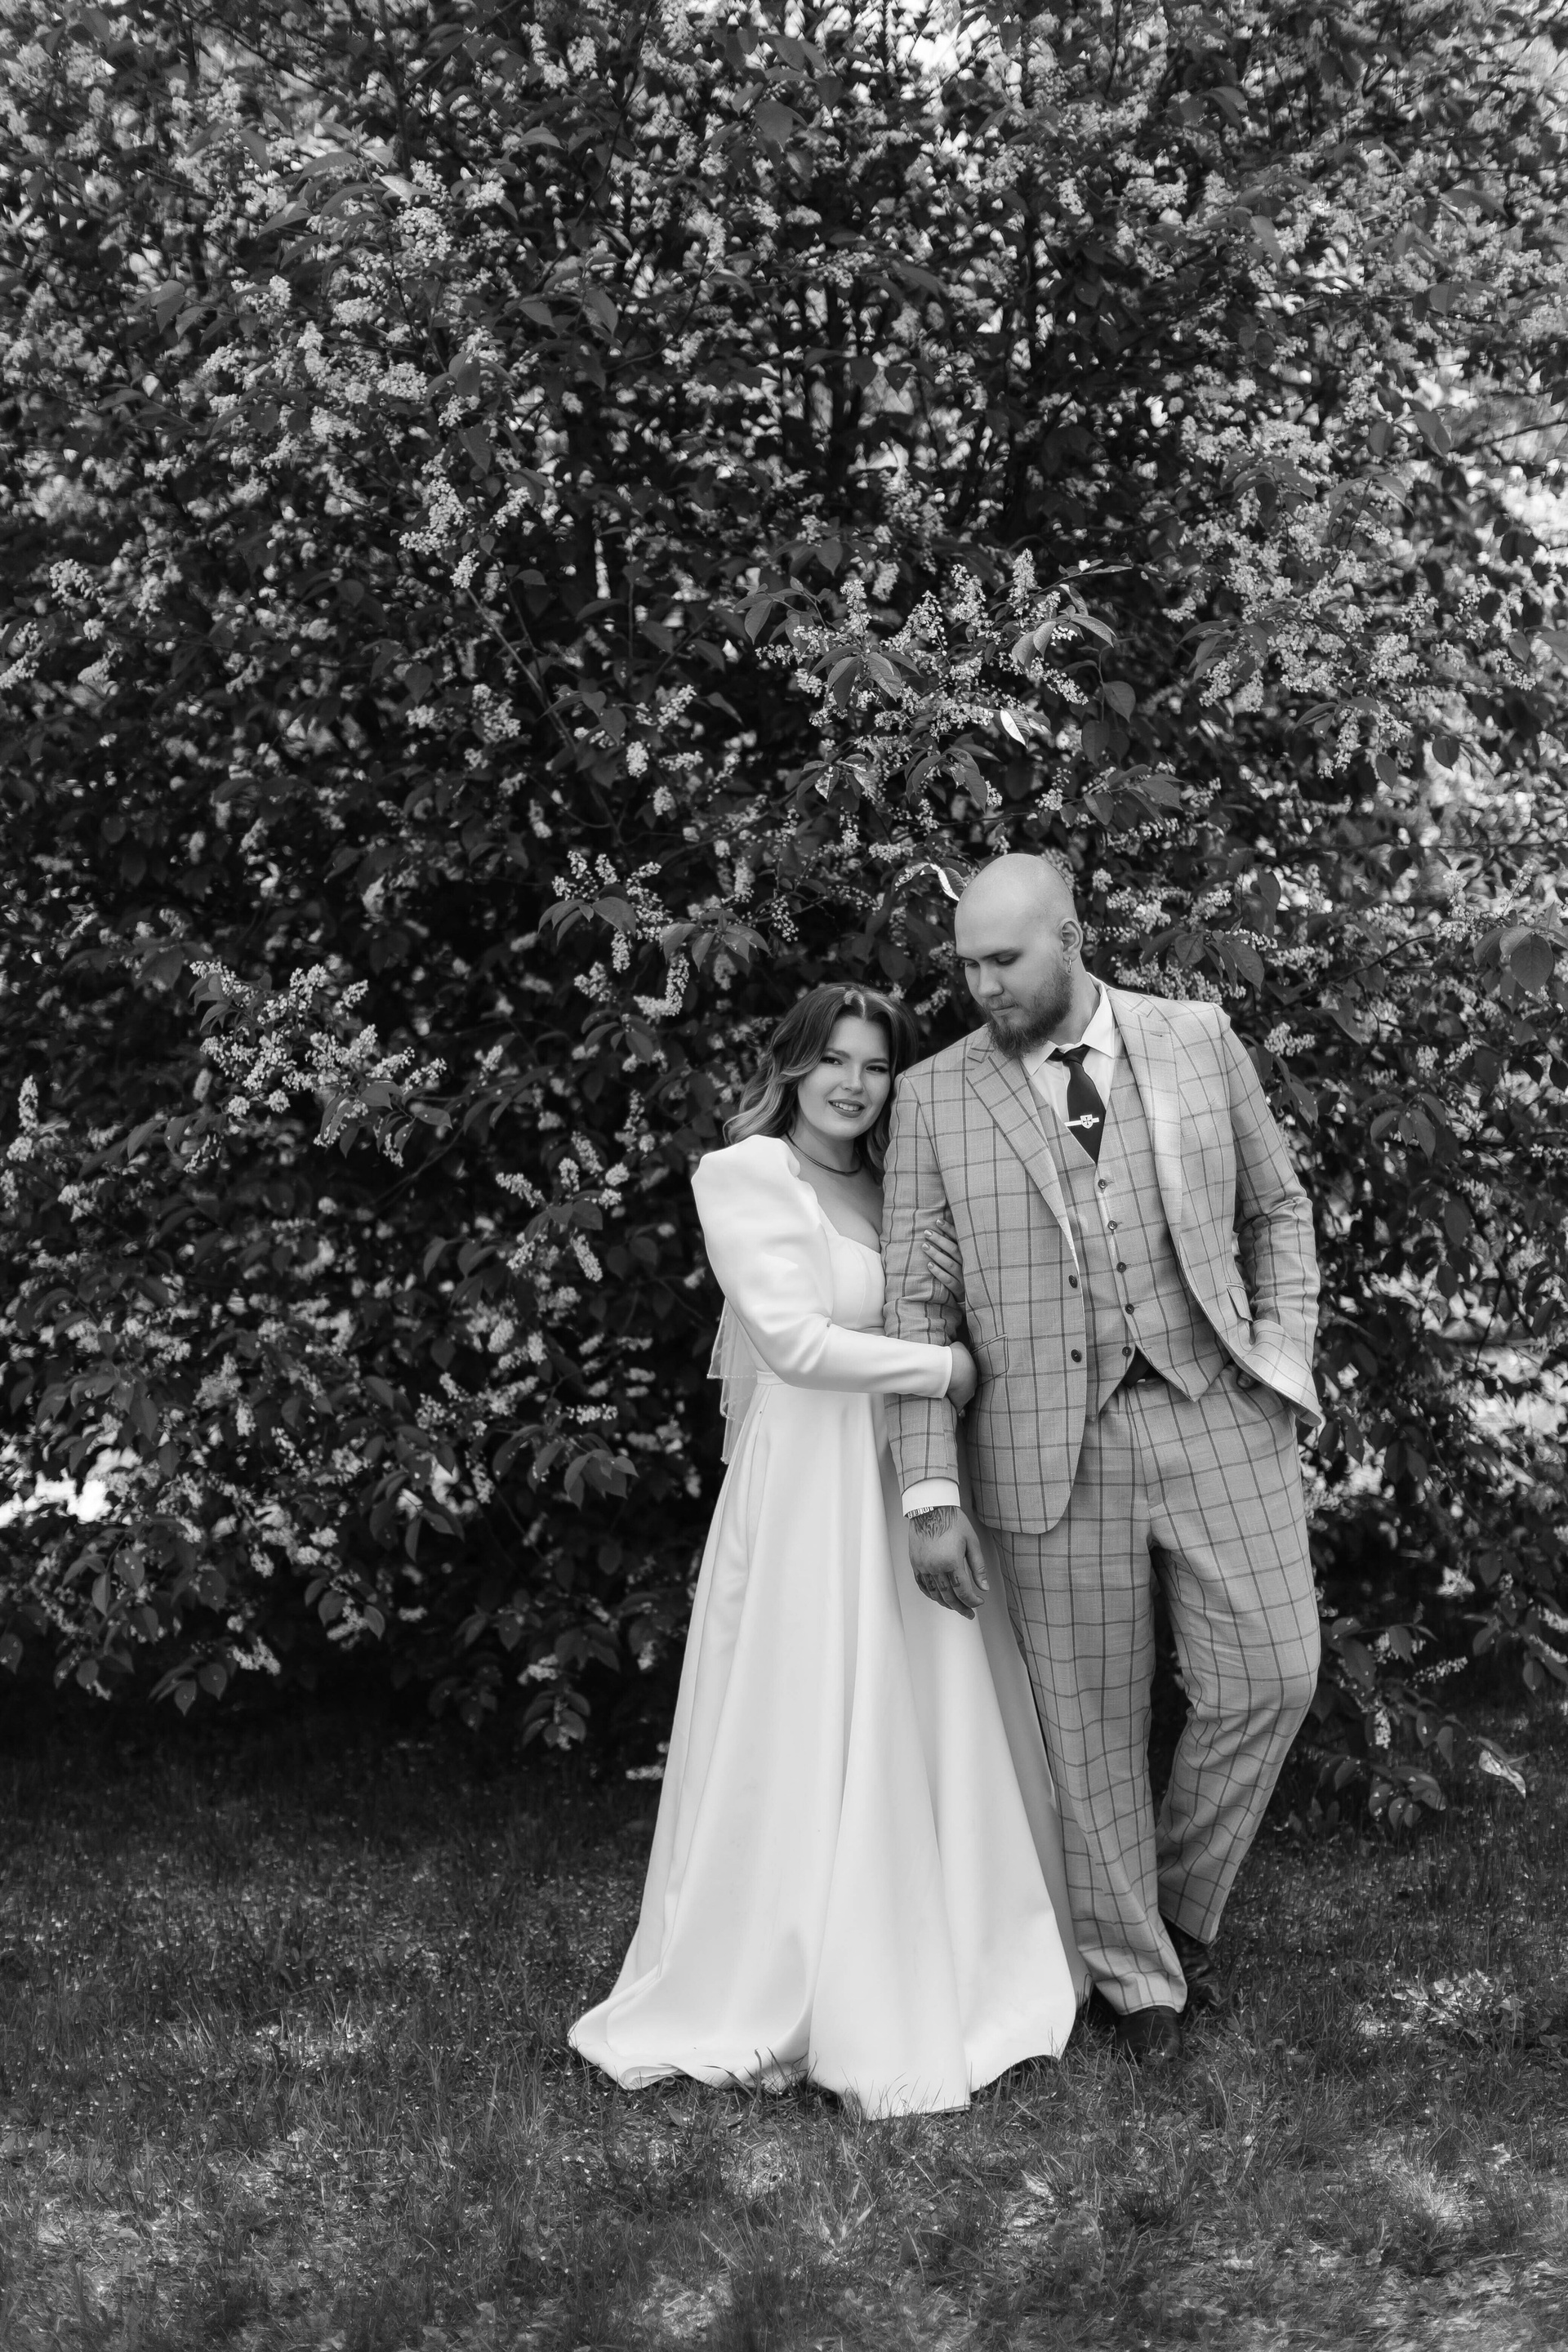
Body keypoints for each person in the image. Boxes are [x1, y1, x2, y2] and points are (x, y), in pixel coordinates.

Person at [570, 983, 1082, 2114]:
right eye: (834, 1060)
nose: (855, 1084)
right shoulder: (747, 1175)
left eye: (877, 1065)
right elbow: (796, 1344)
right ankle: (787, 1969)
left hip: (908, 1468)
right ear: (793, 1065)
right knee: (810, 1706)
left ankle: (956, 1952)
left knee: (932, 1691)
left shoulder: (899, 1182)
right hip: (812, 1482)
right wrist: (942, 1370)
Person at [884, 855, 1321, 2065]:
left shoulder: (1196, 1038)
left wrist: (1281, 1357)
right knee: (1089, 1729)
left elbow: (1279, 1210)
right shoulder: (932, 1096)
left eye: (1005, 960)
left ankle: (1173, 1912)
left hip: (1216, 1408)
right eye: (967, 966)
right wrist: (929, 1488)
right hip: (1042, 1446)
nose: (983, 986)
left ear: (1072, 936)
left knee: (1274, 1674)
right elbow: (916, 1305)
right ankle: (1139, 1986)